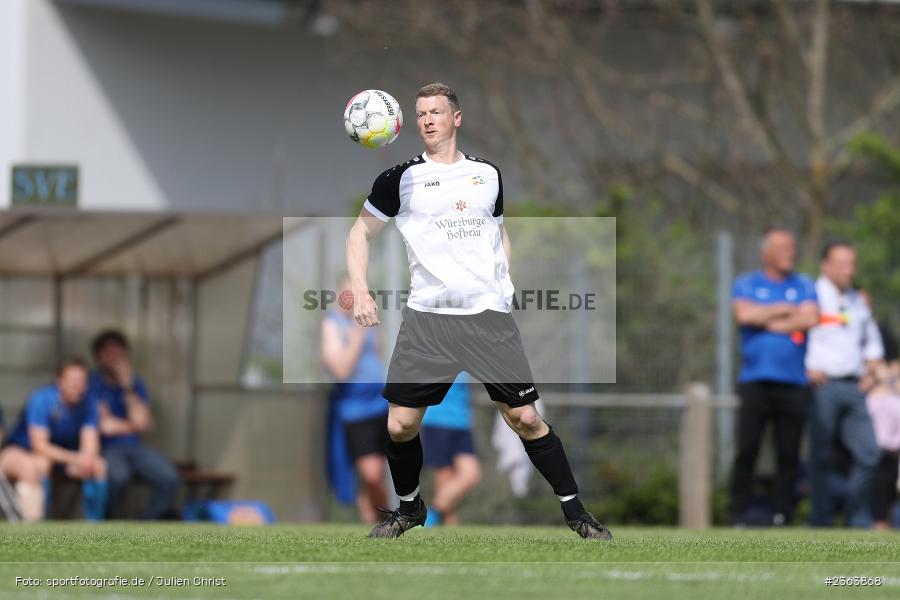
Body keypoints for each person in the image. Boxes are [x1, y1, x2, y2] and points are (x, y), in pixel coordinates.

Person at [346, 82, 610, 540]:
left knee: (524, 418)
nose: (428, 119)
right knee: (401, 423)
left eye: (437, 112)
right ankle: (409, 509)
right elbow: (357, 235)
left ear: (457, 118)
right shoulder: (400, 178)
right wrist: (362, 292)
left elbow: (497, 233)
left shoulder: (488, 174)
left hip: (488, 319)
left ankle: (577, 513)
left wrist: (503, 279)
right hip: (428, 320)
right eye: (421, 113)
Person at [730, 228, 819, 526]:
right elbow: (744, 316)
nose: (790, 253)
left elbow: (809, 318)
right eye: (783, 247)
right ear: (765, 252)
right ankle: (739, 512)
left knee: (788, 452)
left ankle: (784, 513)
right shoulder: (746, 283)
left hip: (794, 382)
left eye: (792, 247)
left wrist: (765, 319)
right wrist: (782, 309)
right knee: (747, 449)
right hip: (755, 380)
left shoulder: (804, 284)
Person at [806, 242, 883, 527]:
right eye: (841, 264)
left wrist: (873, 367)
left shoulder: (857, 301)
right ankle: (821, 518)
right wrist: (806, 367)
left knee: (870, 453)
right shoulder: (810, 295)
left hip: (855, 387)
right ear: (825, 265)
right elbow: (796, 334)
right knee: (821, 455)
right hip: (822, 387)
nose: (848, 270)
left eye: (851, 264)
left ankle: (856, 515)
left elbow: (871, 340)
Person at [0, 357, 107, 520]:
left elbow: (90, 442)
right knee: (41, 463)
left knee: (98, 465)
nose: (78, 386)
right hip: (24, 451)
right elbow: (40, 446)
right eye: (72, 381)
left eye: (82, 381)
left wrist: (85, 459)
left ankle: (95, 525)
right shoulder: (41, 400)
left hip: (63, 458)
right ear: (59, 381)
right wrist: (74, 458)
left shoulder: (89, 403)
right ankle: (38, 523)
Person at [88, 330, 180, 520]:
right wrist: (135, 424)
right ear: (98, 357)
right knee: (118, 477)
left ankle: (144, 524)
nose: (115, 358)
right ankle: (113, 522)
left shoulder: (136, 384)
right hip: (105, 446)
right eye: (109, 353)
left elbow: (144, 423)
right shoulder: (91, 383)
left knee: (169, 478)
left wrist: (127, 387)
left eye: (119, 352)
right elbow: (104, 426)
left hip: (134, 446)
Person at [321, 276, 389, 523]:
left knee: (376, 477)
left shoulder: (370, 324)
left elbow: (376, 359)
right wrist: (358, 334)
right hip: (355, 412)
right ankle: (390, 522)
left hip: (380, 406)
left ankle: (375, 527)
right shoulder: (333, 325)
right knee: (371, 476)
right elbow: (341, 370)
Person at [421, 372, 481, 526]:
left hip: (462, 423)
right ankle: (440, 520)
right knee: (446, 477)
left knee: (469, 475)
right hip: (439, 421)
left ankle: (433, 517)